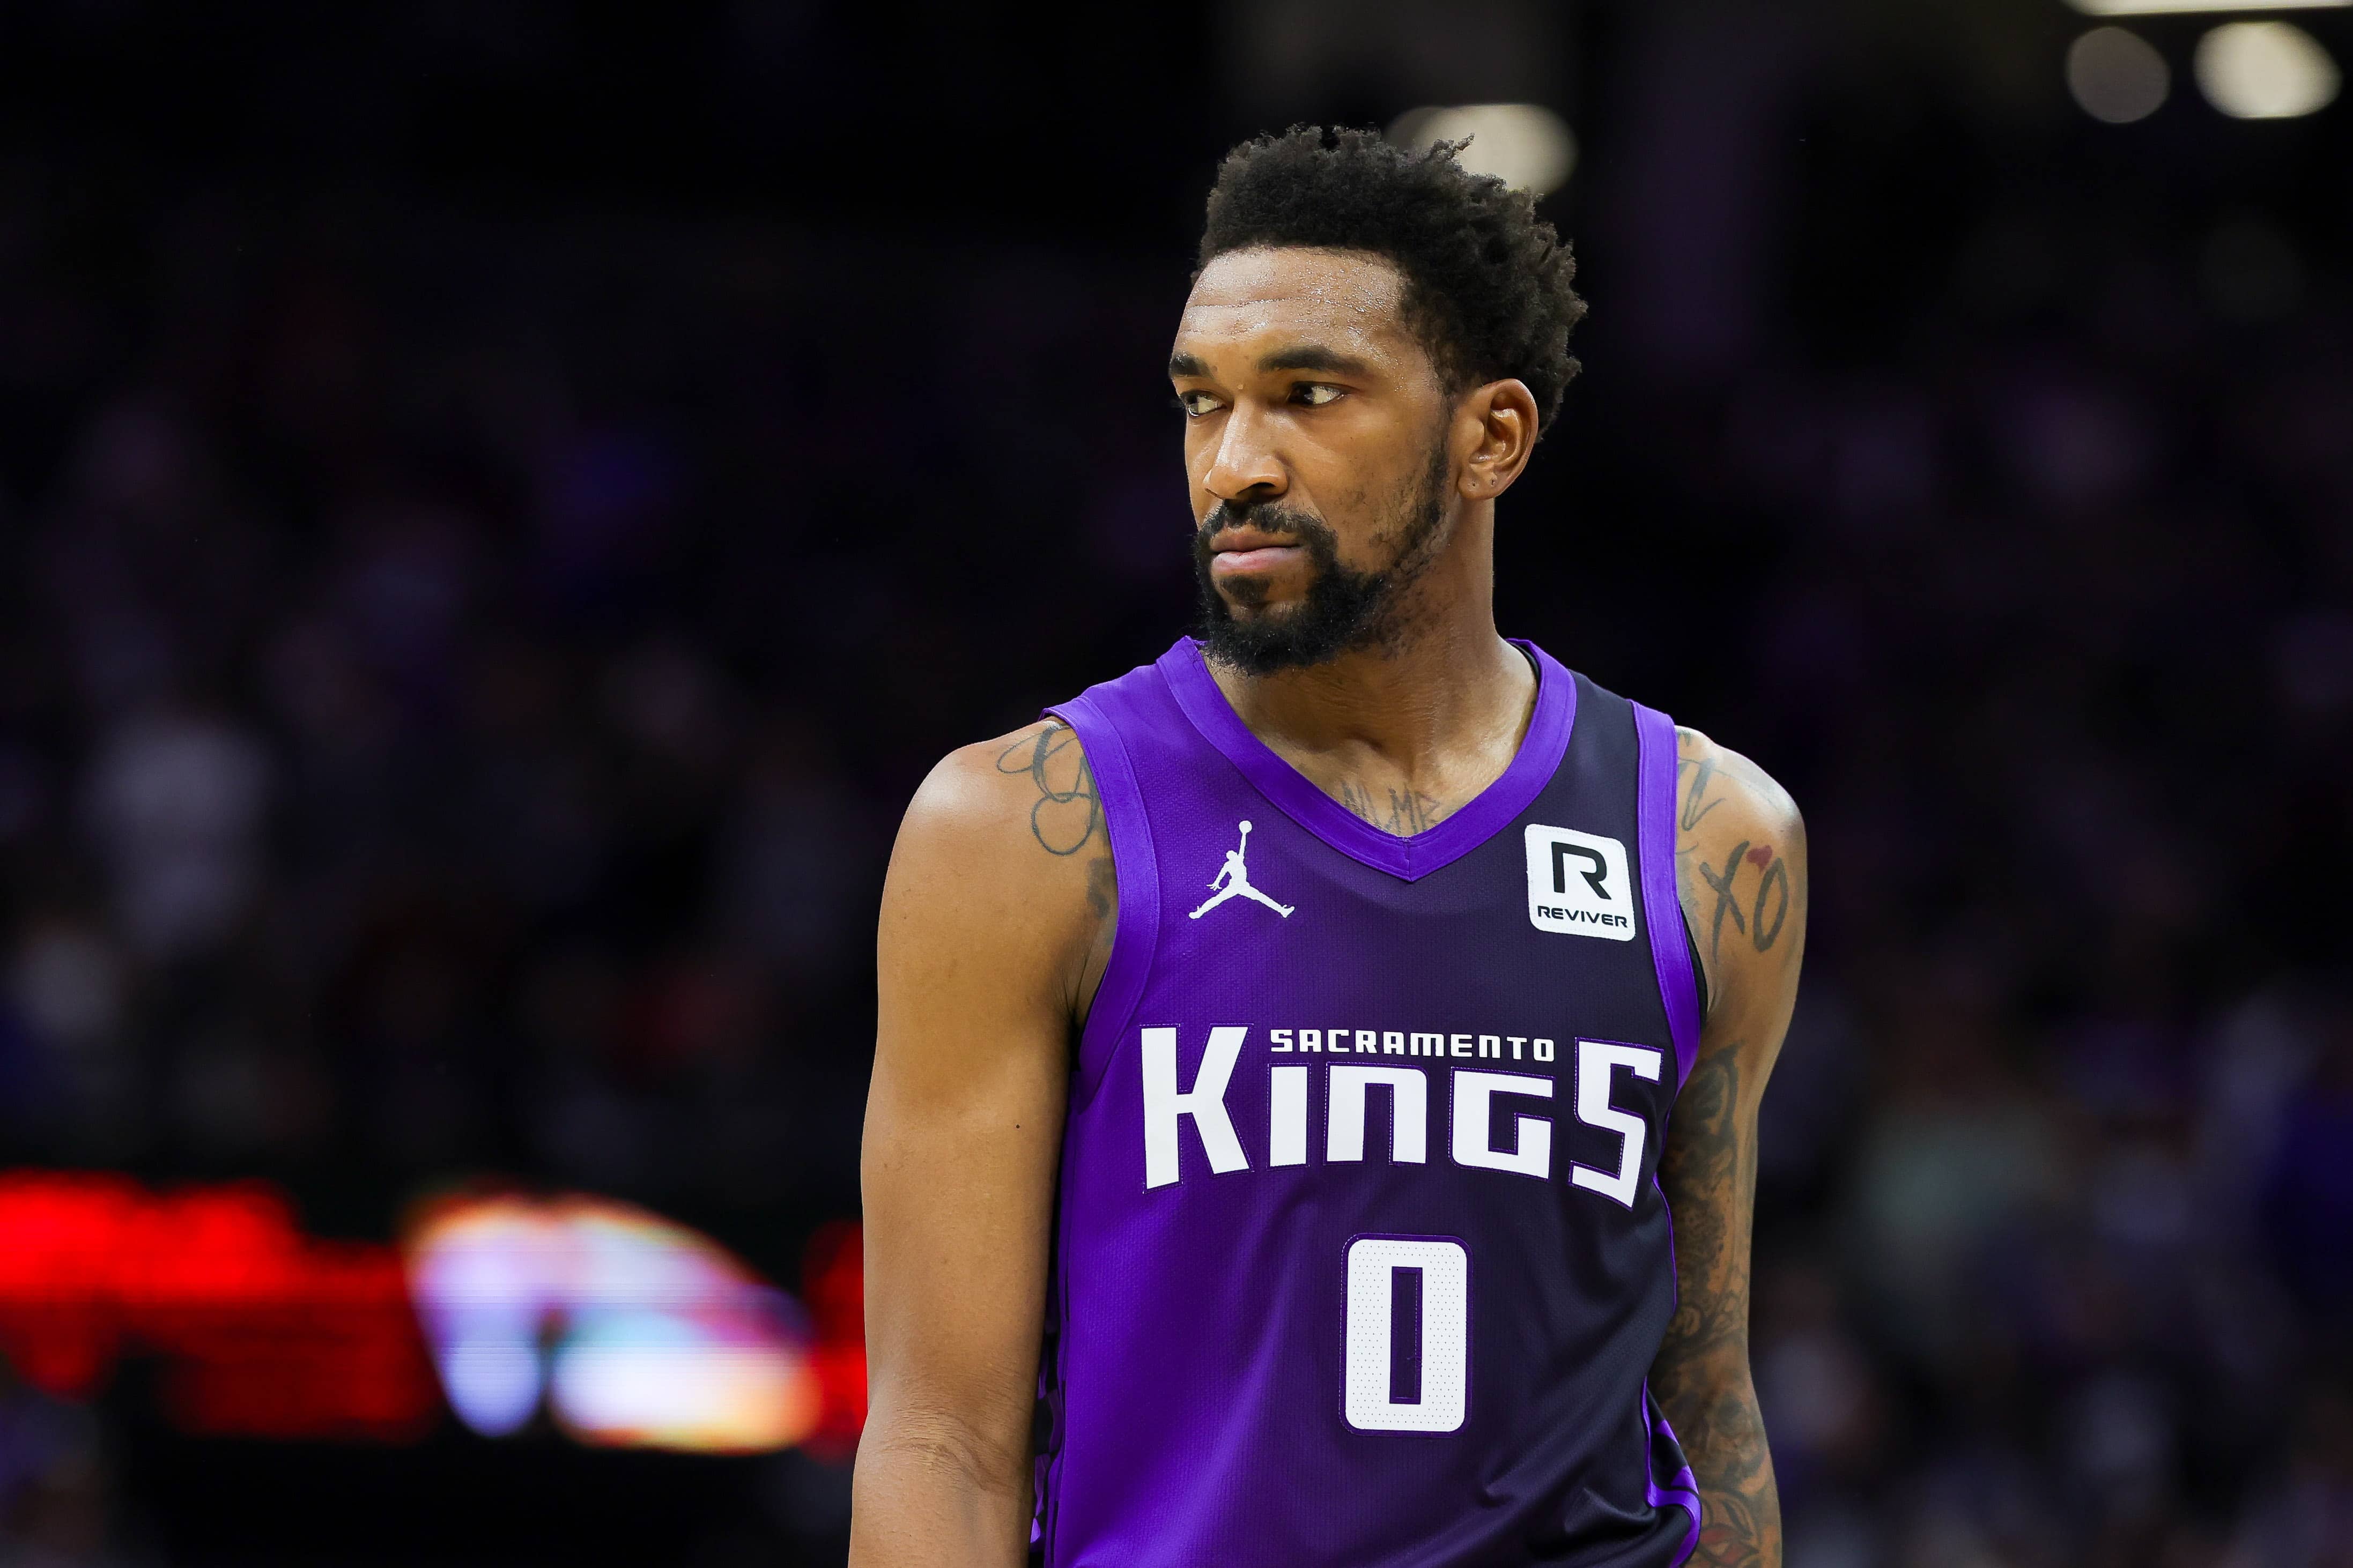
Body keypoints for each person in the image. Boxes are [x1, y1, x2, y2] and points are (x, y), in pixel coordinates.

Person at [854, 125, 1806, 1568]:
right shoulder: (1022, 828)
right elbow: (939, 1438)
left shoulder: (1709, 836)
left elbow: (1710, 1398)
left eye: (1307, 396)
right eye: (1200, 405)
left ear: (1489, 437)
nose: (1233, 464)